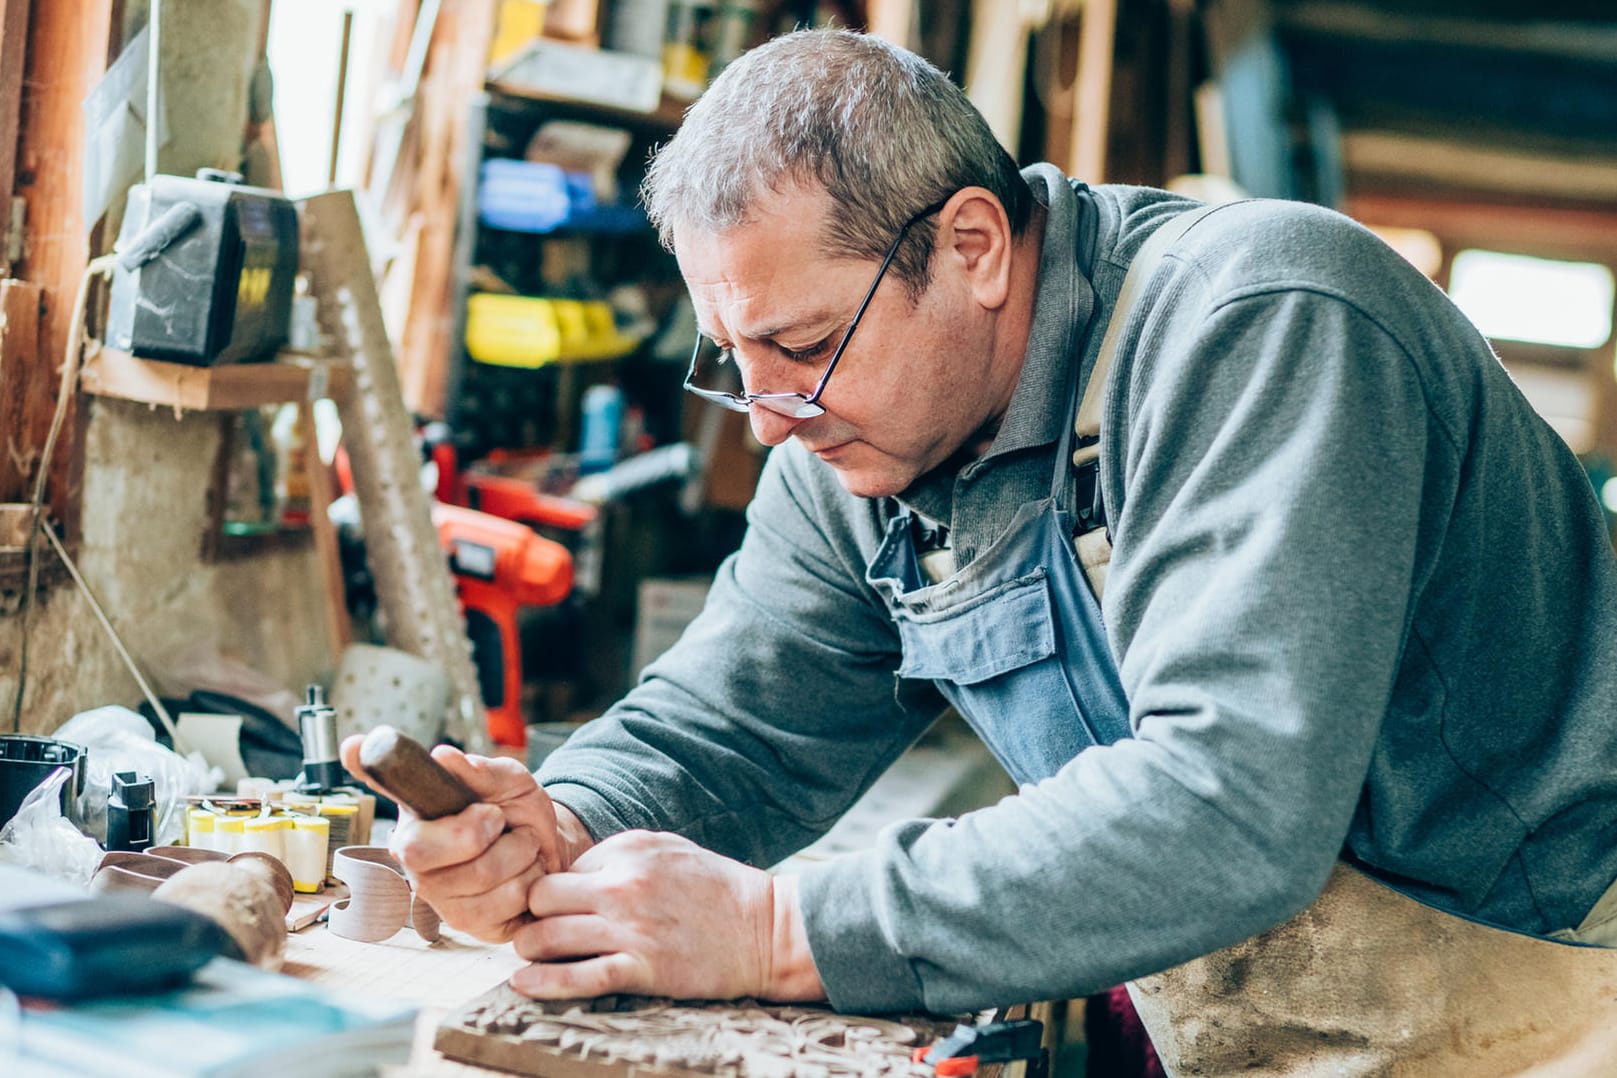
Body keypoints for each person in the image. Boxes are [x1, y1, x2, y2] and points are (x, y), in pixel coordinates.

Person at [341, 27, 1617, 1075]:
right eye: (736, 365)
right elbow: (731, 723)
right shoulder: (864, 438)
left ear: (973, 248)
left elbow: (1229, 805)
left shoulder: (1263, 323)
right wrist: (563, 829)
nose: (772, 416)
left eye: (802, 347)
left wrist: (778, 926)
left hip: (1545, 992)